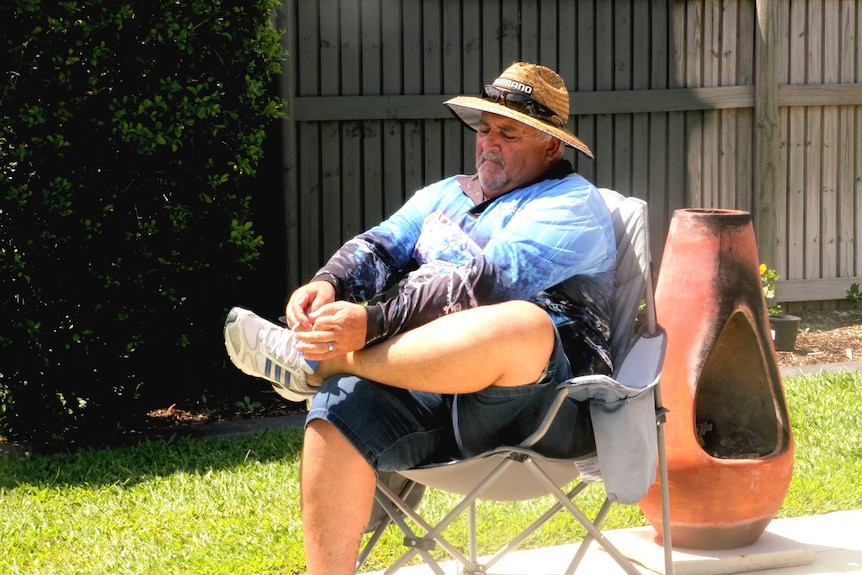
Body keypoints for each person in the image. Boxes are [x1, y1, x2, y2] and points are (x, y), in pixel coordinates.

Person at [224, 62, 616, 574]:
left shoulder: (572, 204)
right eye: (484, 129)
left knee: (521, 323)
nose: (489, 143)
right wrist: (327, 283)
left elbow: (482, 284)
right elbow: (381, 245)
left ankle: (322, 360)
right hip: (432, 381)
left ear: (550, 146)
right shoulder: (449, 193)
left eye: (509, 133)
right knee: (339, 410)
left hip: (541, 408)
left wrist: (369, 323)